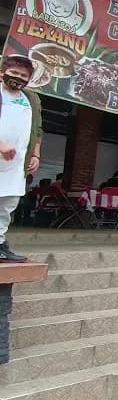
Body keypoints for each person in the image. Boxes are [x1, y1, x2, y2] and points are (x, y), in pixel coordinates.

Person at [0, 55, 42, 262]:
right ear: (2, 73)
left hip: (16, 164)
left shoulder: (31, 99)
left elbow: (37, 129)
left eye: (23, 75)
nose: (17, 78)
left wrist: (35, 154)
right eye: (14, 73)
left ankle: (0, 243)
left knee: (7, 205)